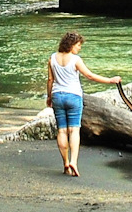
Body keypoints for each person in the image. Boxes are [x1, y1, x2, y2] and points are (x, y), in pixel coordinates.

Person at [47, 31, 120, 177]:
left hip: (57, 96)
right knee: (74, 130)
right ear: (72, 44)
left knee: (62, 131)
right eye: (78, 45)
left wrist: (49, 97)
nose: (79, 48)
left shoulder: (52, 58)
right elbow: (89, 75)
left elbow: (50, 80)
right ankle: (73, 161)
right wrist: (110, 80)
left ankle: (65, 163)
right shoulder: (75, 60)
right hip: (73, 96)